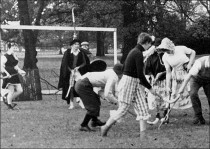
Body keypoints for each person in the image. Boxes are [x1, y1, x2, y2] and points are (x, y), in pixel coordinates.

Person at [101, 32, 159, 137]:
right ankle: (105, 127)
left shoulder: (136, 52)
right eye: (149, 44)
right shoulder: (137, 53)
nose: (150, 46)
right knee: (123, 109)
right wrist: (150, 88)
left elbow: (137, 75)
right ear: (146, 43)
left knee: (142, 109)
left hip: (135, 83)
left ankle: (143, 136)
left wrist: (144, 85)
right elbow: (141, 74)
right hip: (128, 83)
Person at [156, 37, 196, 122]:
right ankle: (166, 116)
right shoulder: (165, 57)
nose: (167, 51)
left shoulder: (181, 48)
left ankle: (198, 116)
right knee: (173, 94)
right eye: (164, 50)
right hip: (176, 75)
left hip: (187, 72)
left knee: (192, 92)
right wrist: (167, 85)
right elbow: (168, 72)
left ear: (170, 47)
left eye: (167, 49)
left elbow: (193, 52)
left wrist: (190, 64)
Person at [74, 63, 123, 131]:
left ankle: (95, 121)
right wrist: (116, 101)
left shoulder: (110, 72)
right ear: (120, 72)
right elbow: (107, 93)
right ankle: (83, 125)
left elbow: (100, 91)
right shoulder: (113, 77)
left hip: (83, 83)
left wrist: (110, 99)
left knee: (96, 101)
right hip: (83, 84)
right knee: (92, 107)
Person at [58, 39, 90, 109]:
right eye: (75, 44)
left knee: (80, 87)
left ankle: (81, 101)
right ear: (72, 45)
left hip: (79, 73)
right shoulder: (68, 52)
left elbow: (85, 63)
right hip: (70, 73)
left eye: (78, 44)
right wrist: (70, 70)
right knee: (71, 88)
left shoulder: (81, 53)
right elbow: (65, 64)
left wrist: (78, 67)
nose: (77, 46)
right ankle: (71, 104)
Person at [178, 55, 210, 124]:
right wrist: (182, 88)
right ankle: (198, 117)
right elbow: (188, 76)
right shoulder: (199, 63)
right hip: (196, 79)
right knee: (193, 94)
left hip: (208, 80)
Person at [144, 38, 168, 124]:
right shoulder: (151, 57)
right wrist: (152, 76)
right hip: (155, 81)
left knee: (165, 98)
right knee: (156, 98)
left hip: (165, 79)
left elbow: (170, 69)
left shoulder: (166, 55)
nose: (158, 49)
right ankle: (158, 115)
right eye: (157, 47)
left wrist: (162, 73)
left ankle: (165, 116)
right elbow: (148, 69)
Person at [1, 43, 26, 109]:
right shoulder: (4, 56)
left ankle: (7, 99)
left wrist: (20, 71)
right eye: (13, 48)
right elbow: (1, 66)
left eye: (15, 48)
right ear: (9, 48)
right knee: (11, 91)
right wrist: (7, 74)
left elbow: (15, 66)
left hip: (14, 74)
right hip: (8, 75)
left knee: (20, 90)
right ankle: (10, 105)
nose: (15, 49)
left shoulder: (14, 56)